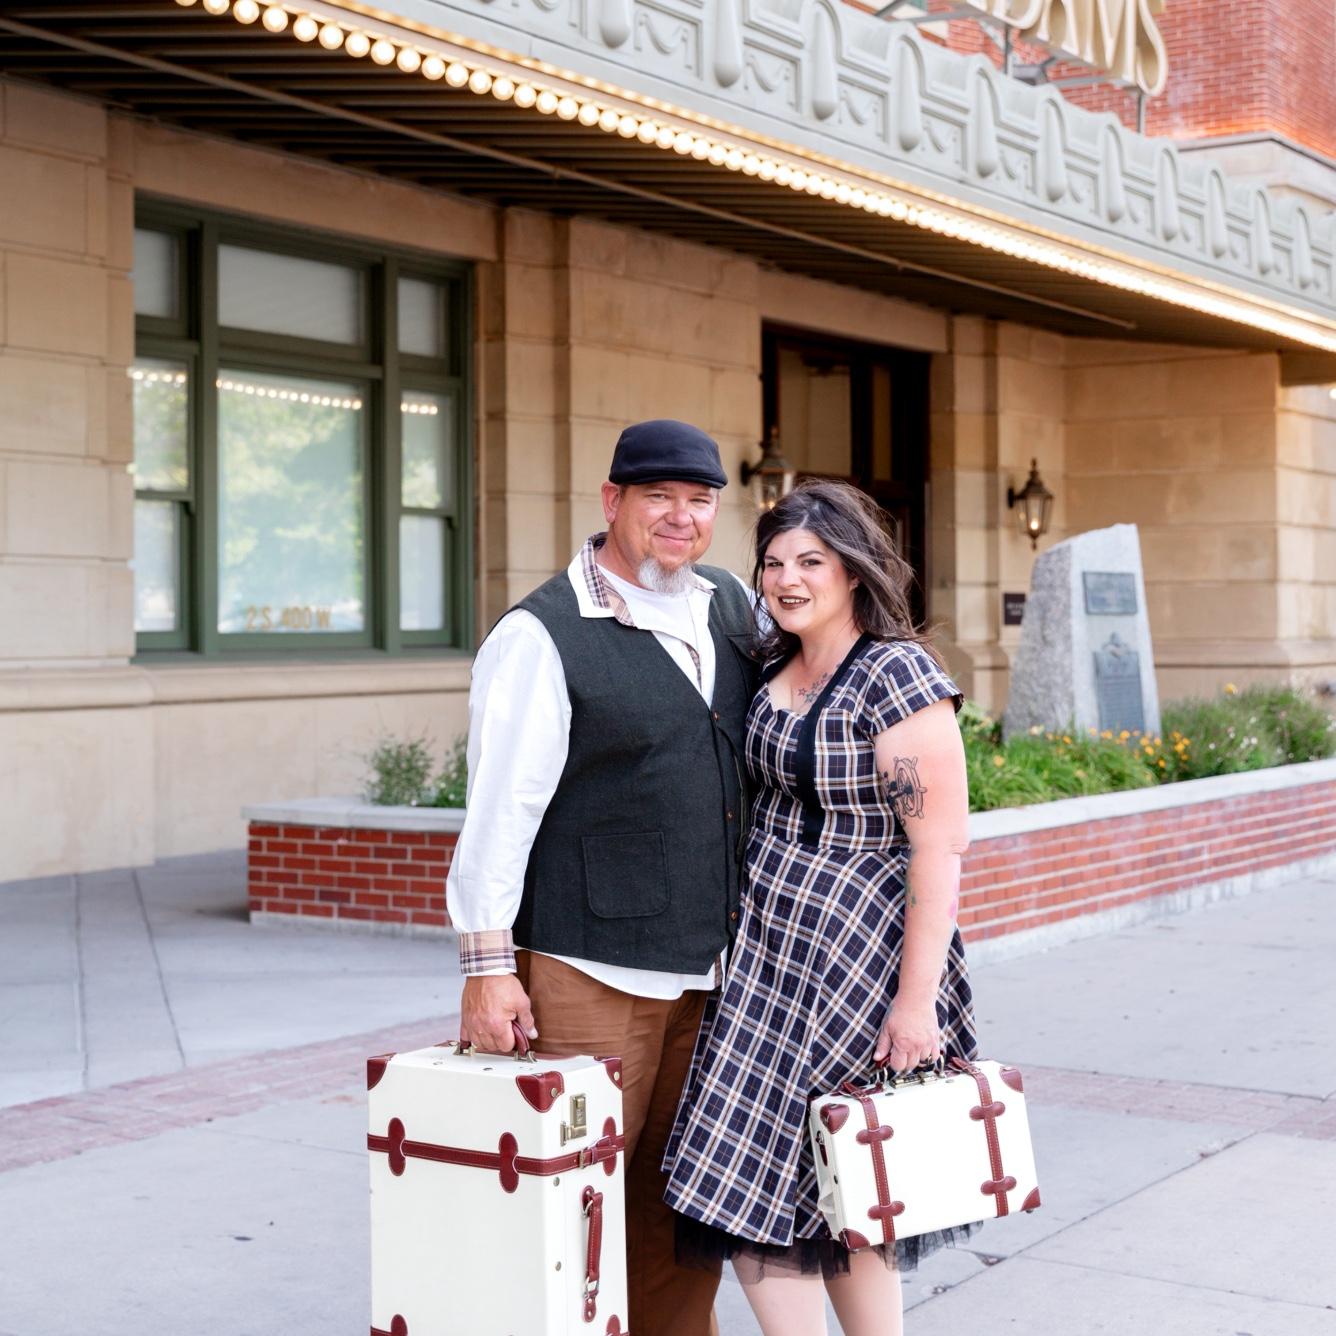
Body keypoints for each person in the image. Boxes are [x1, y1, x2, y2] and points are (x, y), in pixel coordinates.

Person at [447, 419, 757, 1336]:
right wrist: (486, 968)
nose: (681, 517)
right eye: (659, 497)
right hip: (589, 970)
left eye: (700, 500)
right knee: (569, 1206)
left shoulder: (733, 606)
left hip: (716, 969)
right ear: (612, 500)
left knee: (683, 1202)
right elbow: (500, 810)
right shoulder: (539, 634)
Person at [662, 479, 977, 1336]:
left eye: (811, 561)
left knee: (851, 1175)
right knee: (752, 1173)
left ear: (853, 571)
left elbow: (938, 846)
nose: (787, 579)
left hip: (859, 961)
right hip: (766, 954)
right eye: (773, 563)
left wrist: (916, 1004)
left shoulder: (897, 674)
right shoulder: (770, 662)